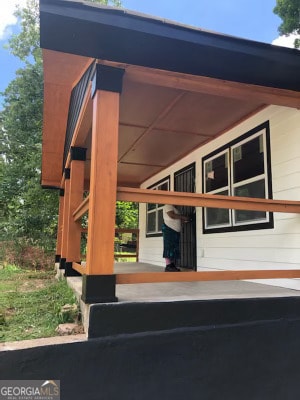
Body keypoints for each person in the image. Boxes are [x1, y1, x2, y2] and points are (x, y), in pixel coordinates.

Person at [162, 204, 189, 272]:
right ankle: (168, 266)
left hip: (174, 231)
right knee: (169, 247)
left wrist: (184, 219)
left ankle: (171, 265)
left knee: (173, 248)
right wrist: (183, 217)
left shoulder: (174, 208)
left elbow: (177, 218)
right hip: (169, 230)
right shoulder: (168, 205)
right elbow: (172, 215)